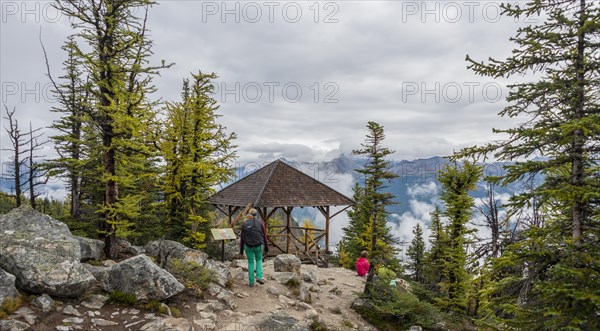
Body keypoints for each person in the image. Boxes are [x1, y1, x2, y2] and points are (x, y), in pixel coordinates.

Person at [239, 209, 269, 287]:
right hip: (258, 246)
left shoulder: (244, 223)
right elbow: (264, 236)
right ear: (256, 215)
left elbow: (242, 238)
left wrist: (241, 250)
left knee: (251, 262)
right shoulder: (260, 223)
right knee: (259, 260)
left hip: (248, 246)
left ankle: (251, 282)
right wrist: (266, 248)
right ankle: (259, 277)